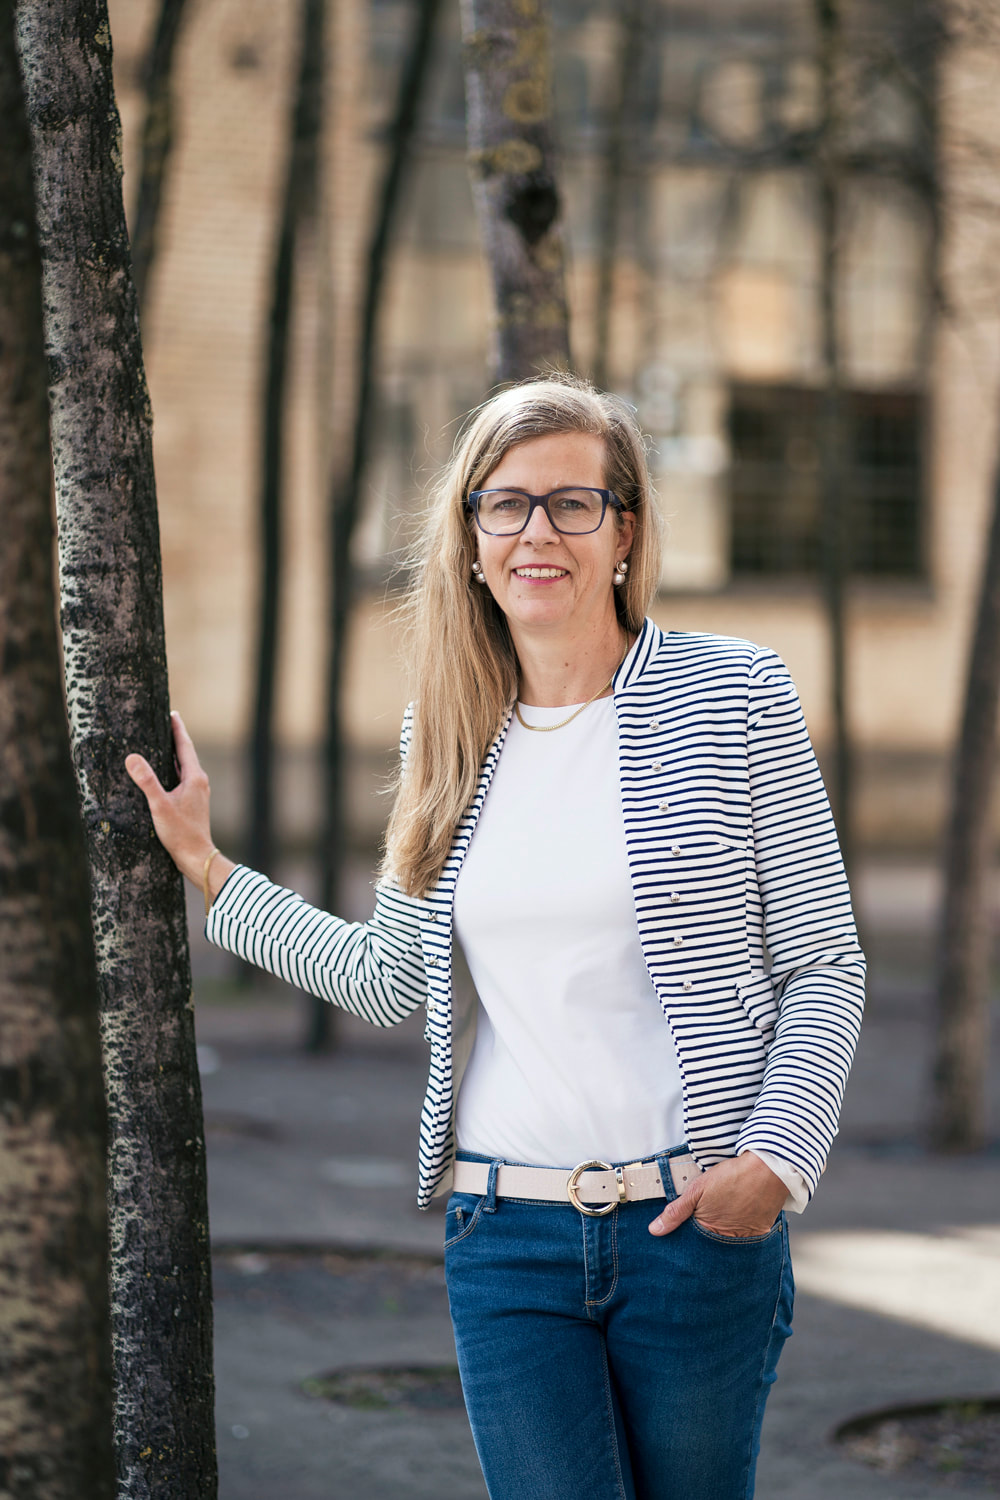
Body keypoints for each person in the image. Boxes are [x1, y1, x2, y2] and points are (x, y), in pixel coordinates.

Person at [126, 375, 865, 1500]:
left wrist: (770, 1166)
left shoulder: (735, 694)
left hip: (695, 1229)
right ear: (469, 538)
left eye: (575, 503)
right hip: (505, 1236)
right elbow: (385, 977)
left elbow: (823, 962)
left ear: (624, 530)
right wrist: (211, 874)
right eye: (504, 503)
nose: (537, 531)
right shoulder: (450, 730)